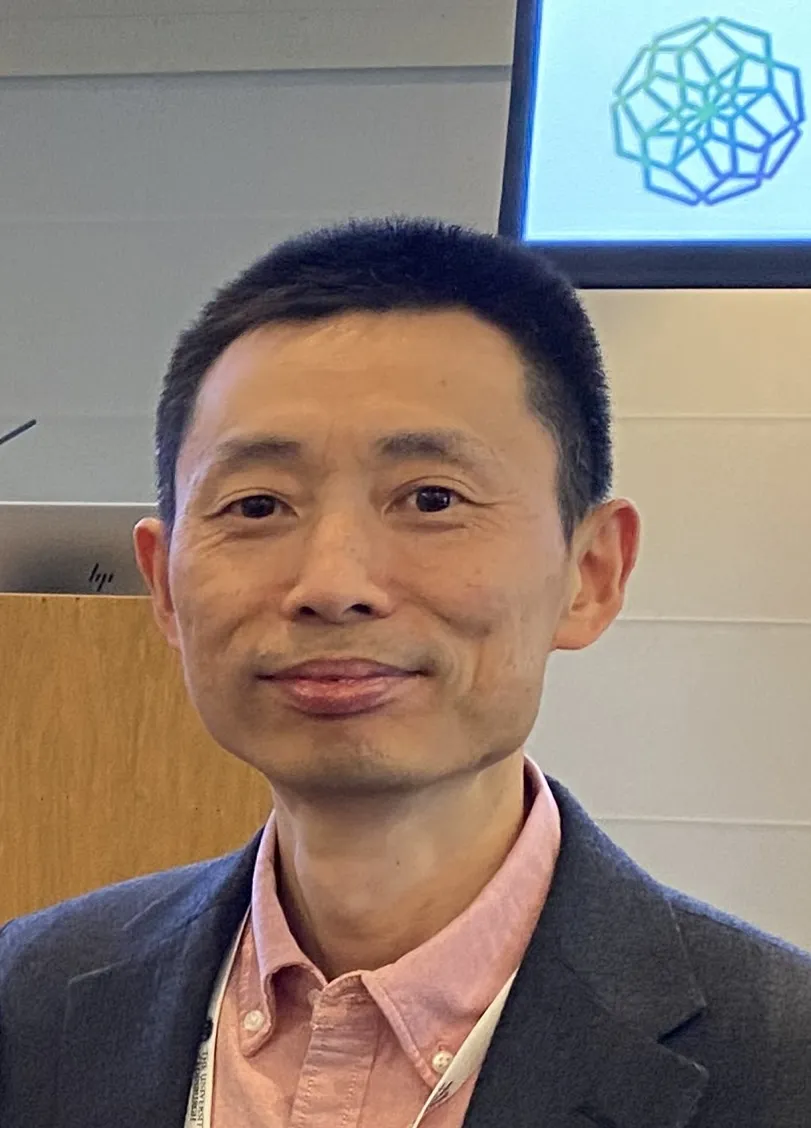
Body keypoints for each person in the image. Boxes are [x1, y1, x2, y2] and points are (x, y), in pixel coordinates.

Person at [1, 218, 809, 1128]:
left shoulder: (778, 1058)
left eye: (431, 499)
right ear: (164, 589)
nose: (333, 583)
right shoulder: (29, 1002)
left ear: (590, 573)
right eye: (257, 505)